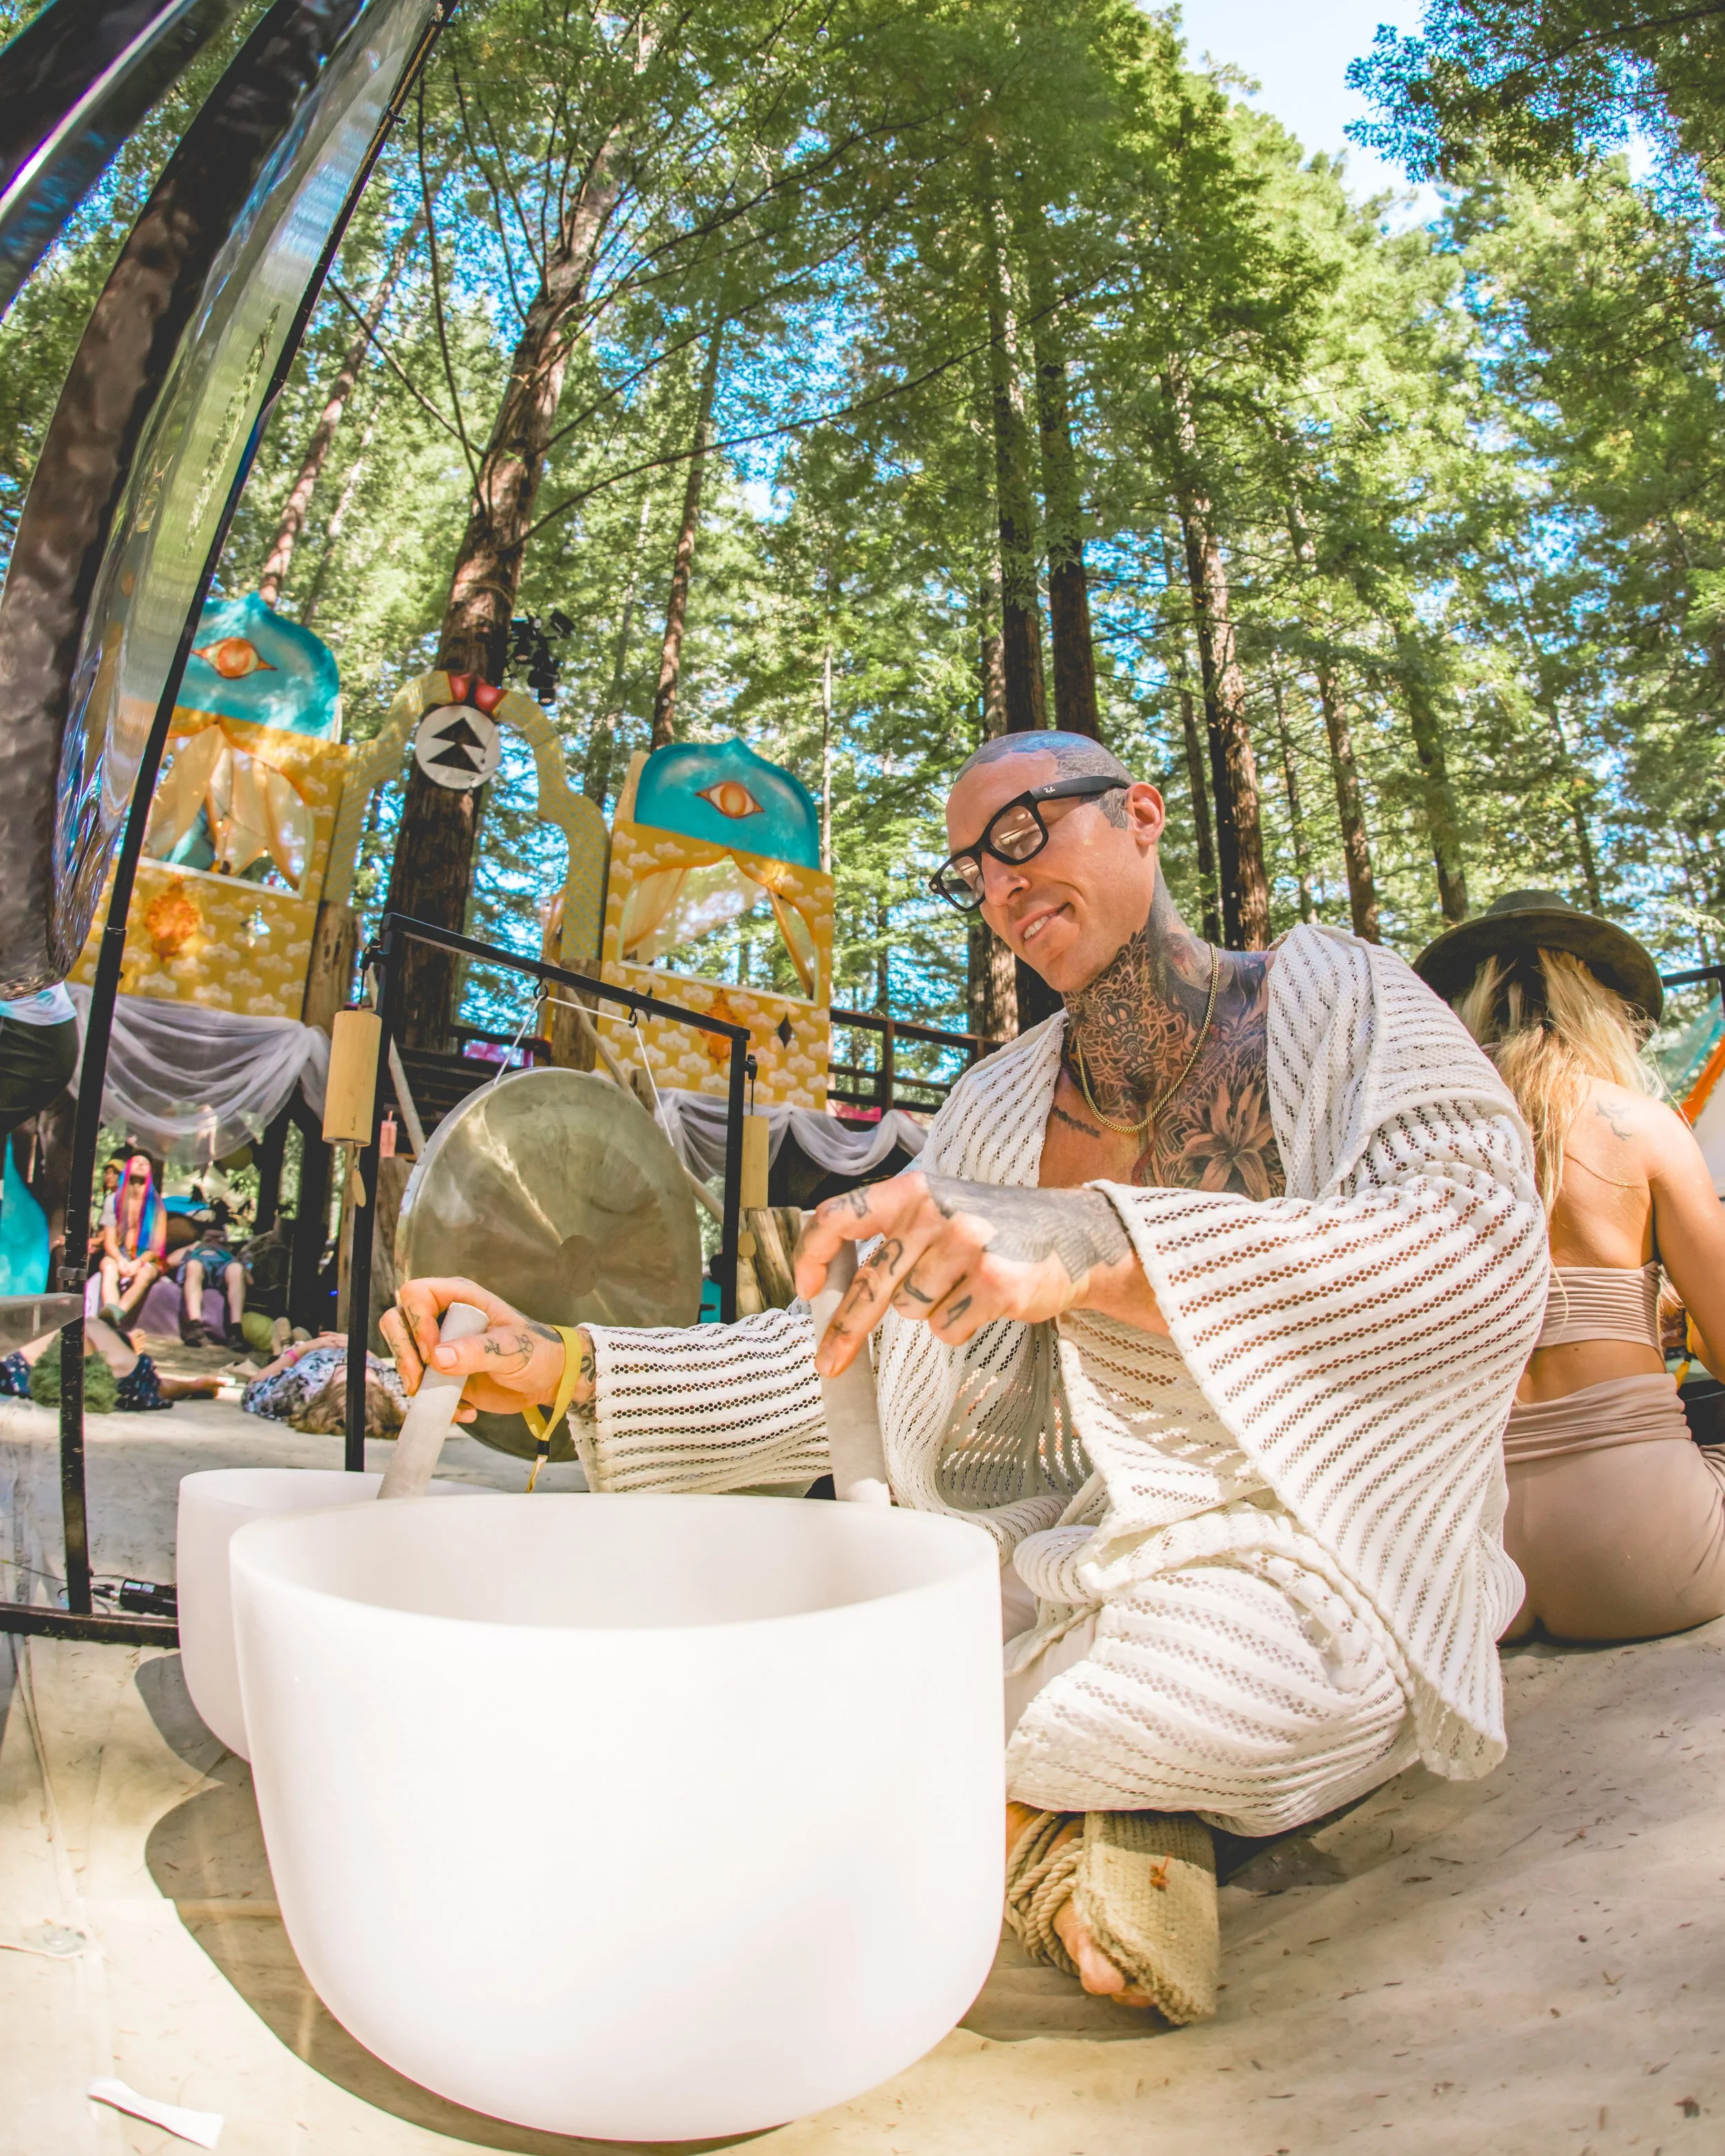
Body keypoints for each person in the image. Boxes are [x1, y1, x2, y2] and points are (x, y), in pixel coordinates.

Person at [385, 733, 1548, 2022]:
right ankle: (1053, 1823)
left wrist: (1105, 1245)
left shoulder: (1348, 998)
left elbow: (1480, 1246)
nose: (1000, 888)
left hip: (1304, 1553)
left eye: (1024, 833)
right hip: (1053, 1557)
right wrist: (571, 1369)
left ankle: (964, 1790)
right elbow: (863, 1347)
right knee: (805, 1601)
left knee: (1232, 1676)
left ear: (1143, 814)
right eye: (969, 875)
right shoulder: (996, 1104)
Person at [1415, 890, 1725, 1643]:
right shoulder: (1642, 1125)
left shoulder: (1424, 1147)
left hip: (1478, 1569)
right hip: (1649, 1550)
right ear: (1602, 1006)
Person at [97, 1153, 167, 1327]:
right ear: (128, 1167)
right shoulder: (112, 1201)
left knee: (144, 1274)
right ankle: (110, 1310)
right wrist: (120, 1260)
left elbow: (157, 1248)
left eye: (146, 1162)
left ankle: (117, 1316)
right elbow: (109, 1241)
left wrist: (138, 1263)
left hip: (147, 1257)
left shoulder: (158, 1205)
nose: (142, 1164)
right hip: (120, 1253)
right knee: (108, 1267)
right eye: (137, 1161)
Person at [170, 1209, 248, 1347]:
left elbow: (249, 1280)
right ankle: (195, 1326)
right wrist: (193, 1248)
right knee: (193, 1265)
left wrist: (240, 1264)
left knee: (236, 1269)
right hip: (199, 1270)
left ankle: (236, 1329)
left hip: (225, 1272)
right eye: (210, 1237)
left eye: (218, 1238)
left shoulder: (230, 1251)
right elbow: (169, 1261)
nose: (214, 1241)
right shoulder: (196, 1247)